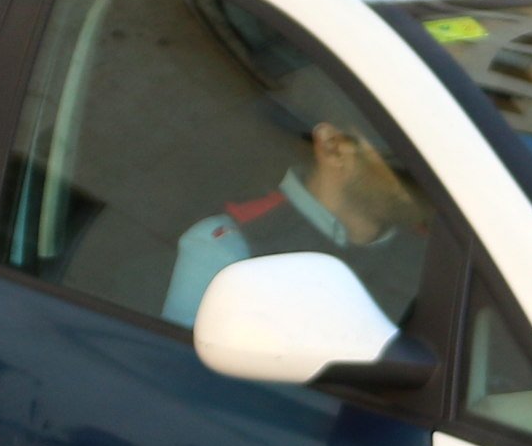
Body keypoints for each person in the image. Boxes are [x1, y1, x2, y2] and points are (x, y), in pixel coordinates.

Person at [163, 116, 427, 325]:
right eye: (400, 157)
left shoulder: (437, 261)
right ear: (332, 147)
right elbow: (187, 379)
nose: (424, 178)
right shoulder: (233, 247)